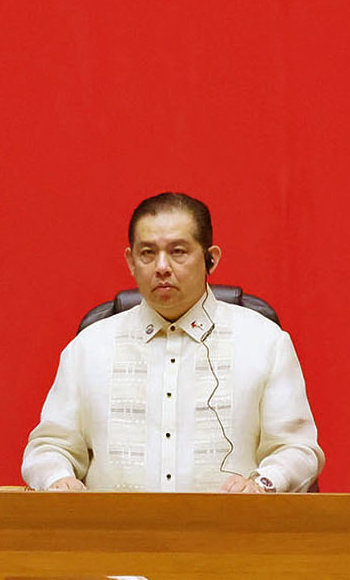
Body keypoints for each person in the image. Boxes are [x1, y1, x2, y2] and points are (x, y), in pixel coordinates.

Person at [22, 192, 322, 493]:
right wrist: (57, 480)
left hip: (231, 533)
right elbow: (48, 447)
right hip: (116, 536)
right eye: (147, 253)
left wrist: (263, 484)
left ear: (211, 259)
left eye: (178, 251)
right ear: (130, 261)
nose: (161, 267)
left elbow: (297, 449)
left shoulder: (265, 343)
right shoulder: (87, 349)